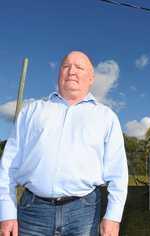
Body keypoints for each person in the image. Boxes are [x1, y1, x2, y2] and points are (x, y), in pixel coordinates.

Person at [0, 51, 128, 236]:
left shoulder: (106, 117)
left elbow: (118, 173)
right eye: (66, 66)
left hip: (84, 213)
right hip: (32, 212)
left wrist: (113, 217)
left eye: (79, 67)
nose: (72, 71)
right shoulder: (32, 111)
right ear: (59, 73)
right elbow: (8, 165)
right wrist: (6, 213)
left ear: (91, 78)